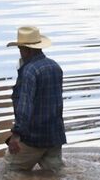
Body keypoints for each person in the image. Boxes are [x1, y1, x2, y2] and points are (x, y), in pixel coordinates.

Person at [5, 26, 66, 172]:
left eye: (20, 49)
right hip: (54, 136)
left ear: (28, 50)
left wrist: (16, 135)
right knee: (56, 175)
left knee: (10, 172)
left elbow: (24, 106)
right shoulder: (55, 67)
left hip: (33, 138)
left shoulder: (29, 71)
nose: (20, 52)